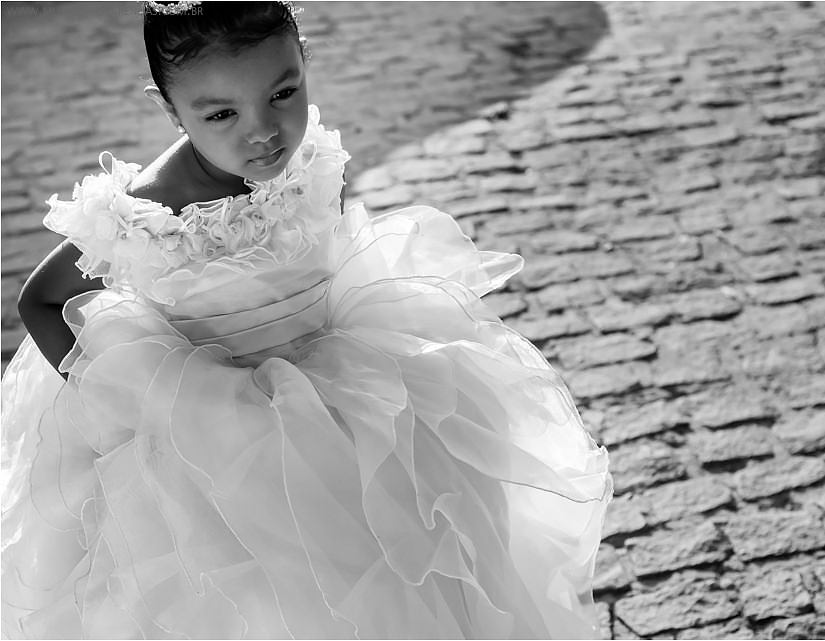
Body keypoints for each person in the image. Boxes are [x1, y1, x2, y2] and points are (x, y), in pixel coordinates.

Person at [1, 1, 612, 638]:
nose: (263, 131)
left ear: (303, 65)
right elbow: (39, 300)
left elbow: (319, 244)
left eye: (283, 92)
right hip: (224, 445)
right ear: (168, 108)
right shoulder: (147, 210)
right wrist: (114, 403)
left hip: (351, 396)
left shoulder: (310, 156)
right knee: (274, 600)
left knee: (414, 555)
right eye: (221, 114)